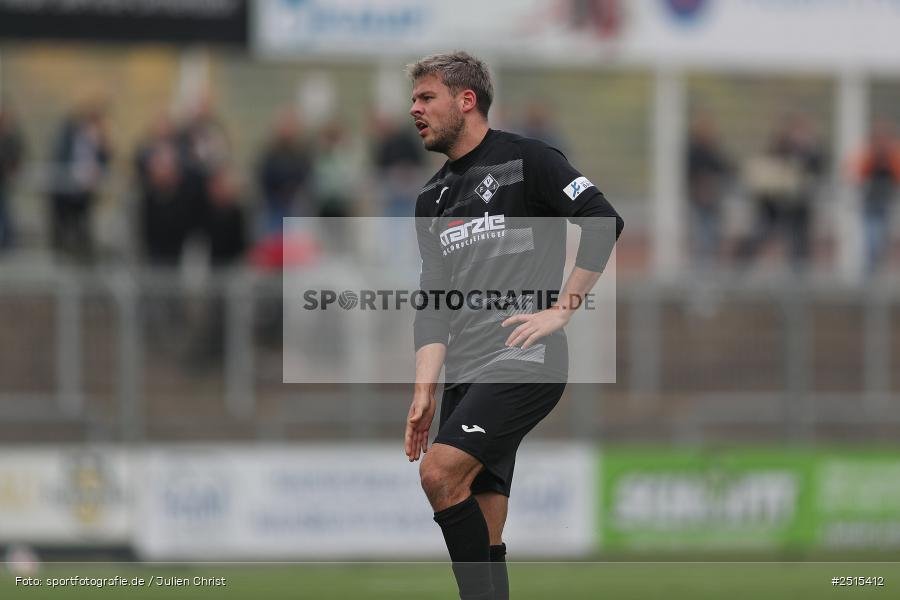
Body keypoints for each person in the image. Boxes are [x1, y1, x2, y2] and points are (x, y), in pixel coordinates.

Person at [403, 51, 622, 600]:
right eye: (414, 100)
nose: (415, 110)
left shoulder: (528, 160)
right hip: (464, 372)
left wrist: (562, 308)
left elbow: (602, 220)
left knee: (438, 474)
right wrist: (424, 388)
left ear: (466, 100)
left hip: (525, 357)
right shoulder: (430, 198)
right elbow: (433, 298)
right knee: (486, 523)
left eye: (426, 97)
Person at [48, 95, 111, 263]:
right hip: (65, 193)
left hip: (85, 196)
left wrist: (100, 143)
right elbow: (60, 156)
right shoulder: (68, 133)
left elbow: (105, 162)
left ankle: (84, 261)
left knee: (83, 232)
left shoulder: (99, 138)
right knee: (64, 233)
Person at [853, 119, 900, 274]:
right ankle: (870, 271)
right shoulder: (868, 155)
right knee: (871, 238)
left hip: (886, 203)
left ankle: (878, 270)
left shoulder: (893, 156)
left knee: (881, 238)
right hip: (870, 203)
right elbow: (859, 175)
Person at [686, 112, 732, 266]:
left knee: (712, 238)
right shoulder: (694, 151)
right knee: (703, 238)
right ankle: (702, 270)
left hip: (713, 201)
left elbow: (727, 169)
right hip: (700, 203)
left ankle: (708, 268)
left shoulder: (712, 151)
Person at [0, 104, 25, 252]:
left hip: (4, 179)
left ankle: (8, 241)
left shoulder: (12, 136)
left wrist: (13, 167)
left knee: (5, 210)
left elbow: (18, 153)